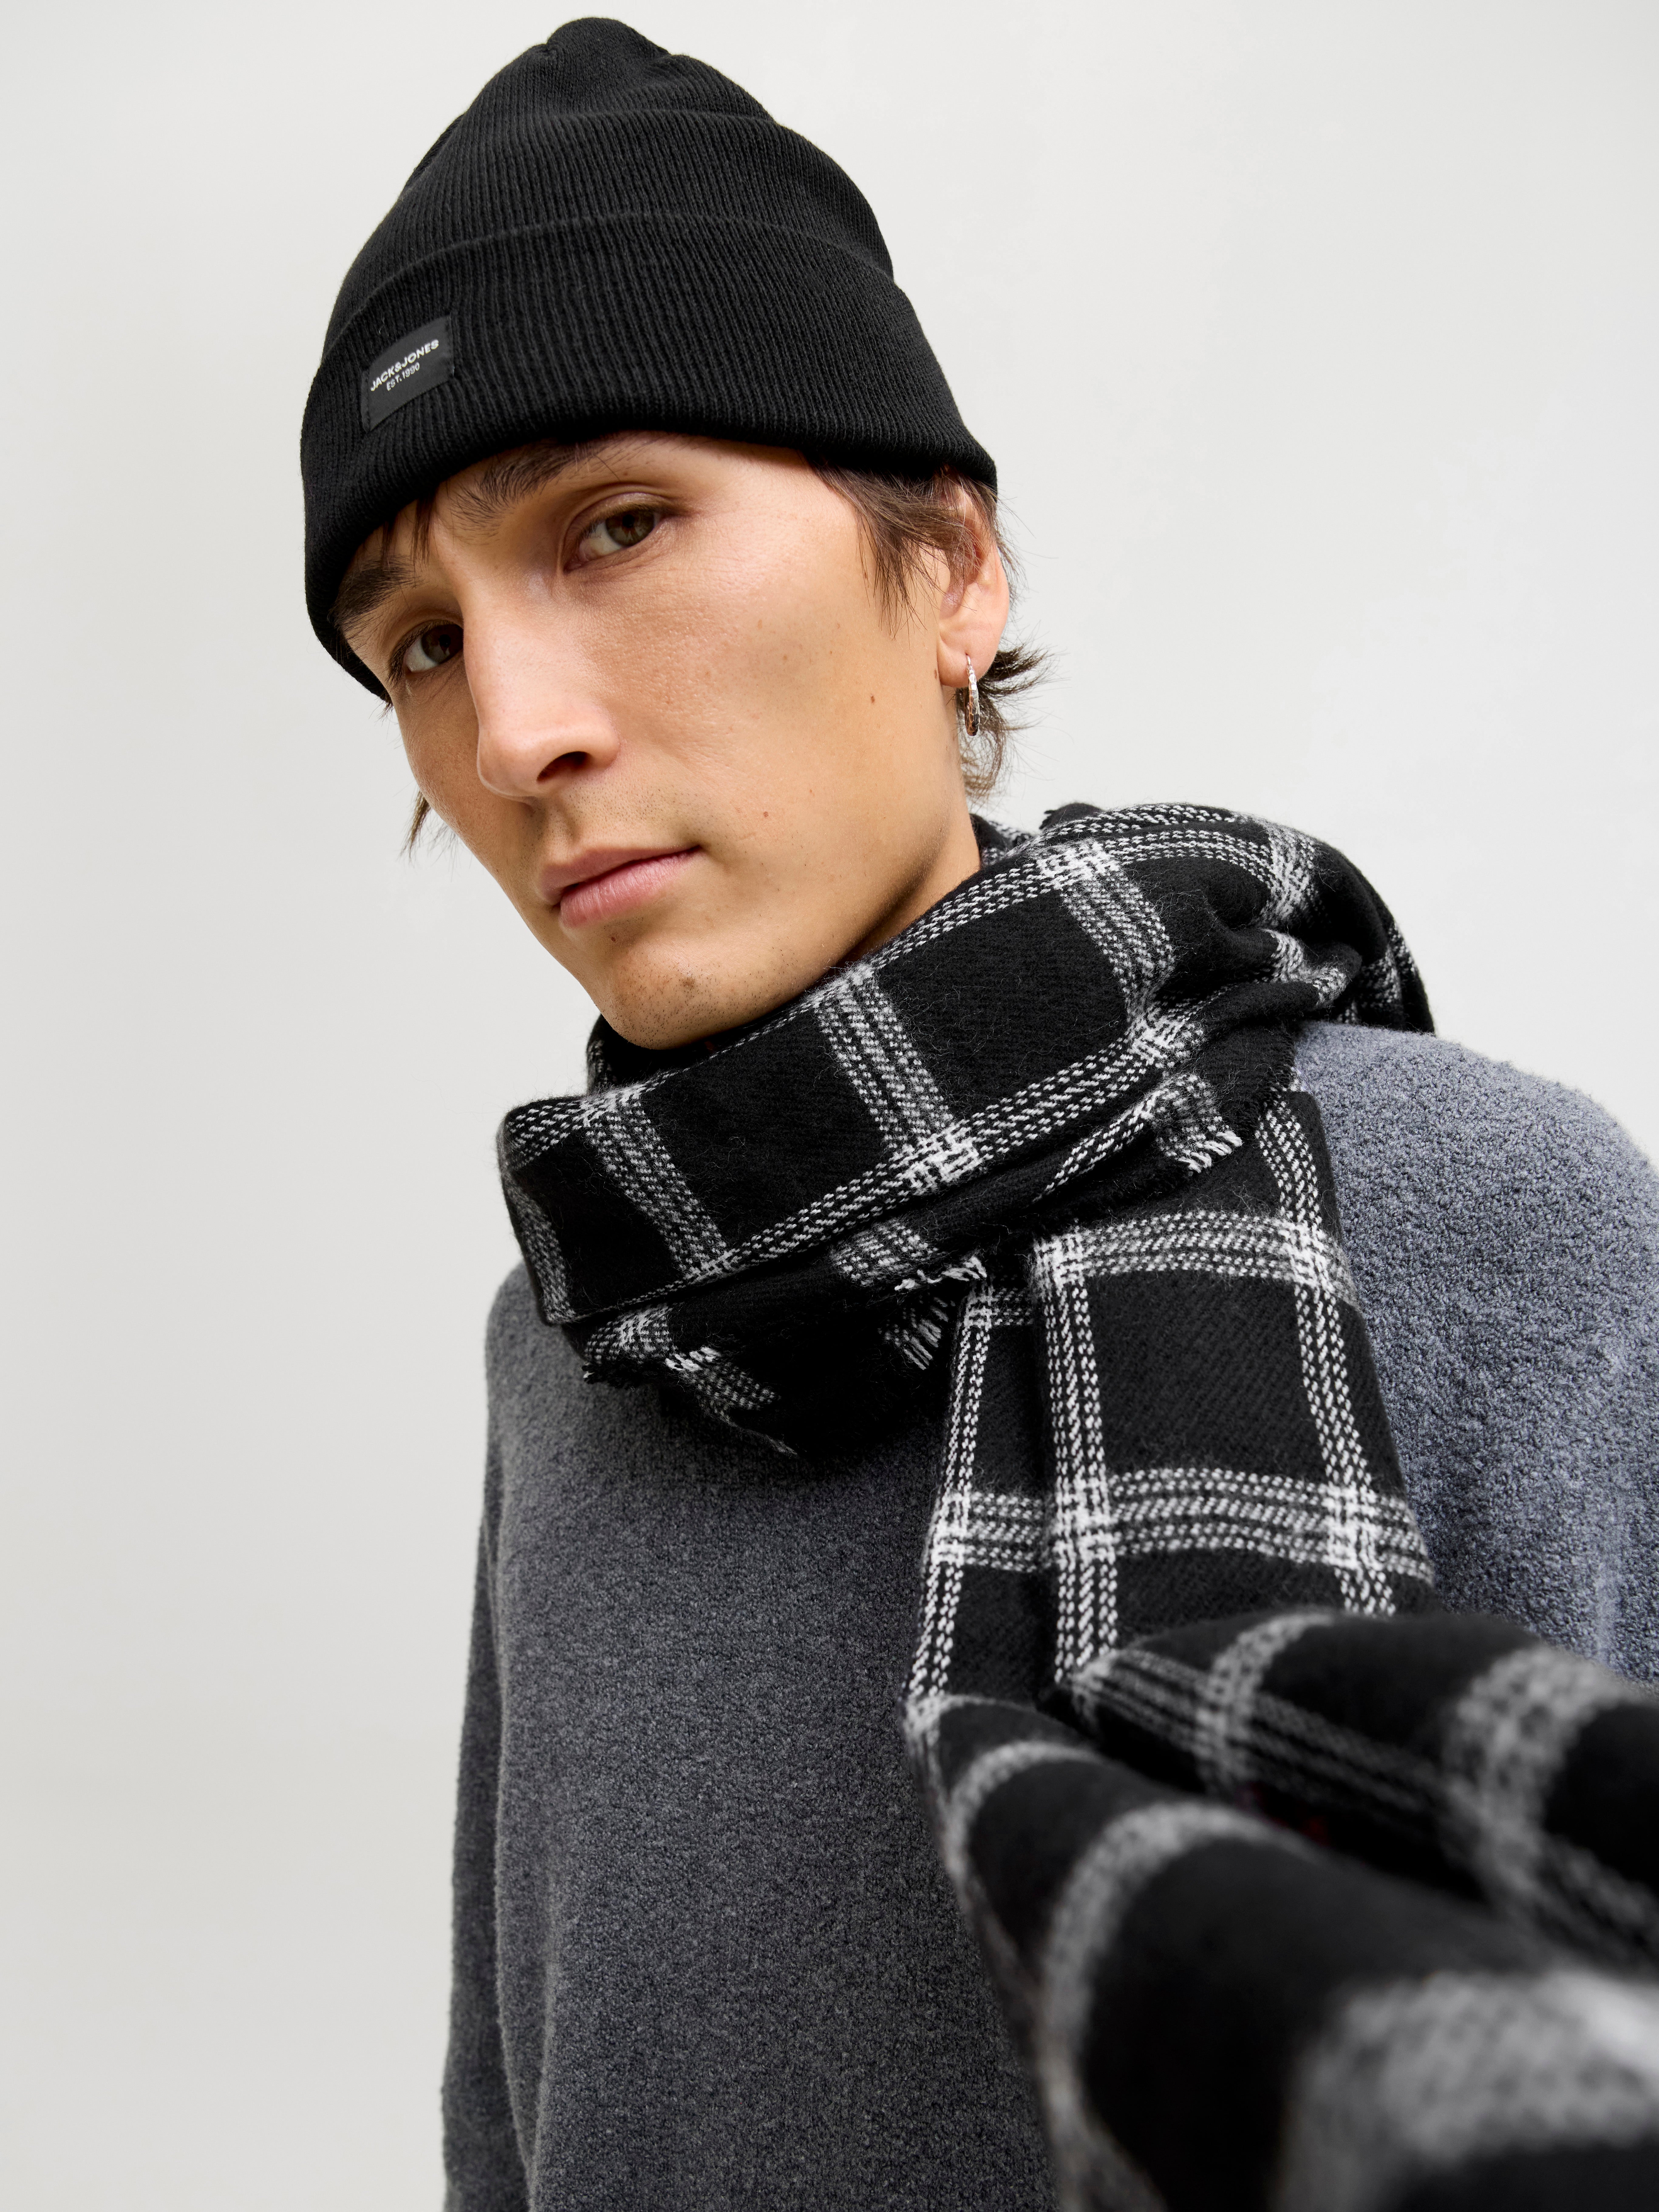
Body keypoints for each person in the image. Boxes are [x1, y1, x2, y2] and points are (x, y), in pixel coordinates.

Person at [301, 22, 1659, 2212]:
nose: (515, 730)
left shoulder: (1496, 1220)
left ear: (950, 566)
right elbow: (515, 2119)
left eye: (617, 526)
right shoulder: (572, 1339)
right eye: (421, 645)